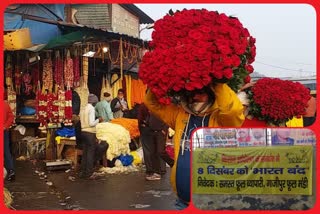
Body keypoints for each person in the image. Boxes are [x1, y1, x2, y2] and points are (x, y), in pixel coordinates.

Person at [144, 83, 244, 209]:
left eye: (201, 92)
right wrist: (156, 82)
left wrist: (216, 82)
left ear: (211, 94)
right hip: (182, 202)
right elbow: (152, 103)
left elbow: (233, 110)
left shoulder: (221, 120)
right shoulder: (180, 115)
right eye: (192, 93)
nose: (195, 96)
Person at [138, 103, 174, 181]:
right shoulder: (146, 105)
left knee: (160, 151)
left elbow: (167, 118)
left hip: (159, 131)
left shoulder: (162, 105)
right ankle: (157, 172)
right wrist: (144, 126)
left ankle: (172, 164)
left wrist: (164, 130)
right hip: (150, 131)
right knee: (153, 152)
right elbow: (142, 118)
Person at [79, 94, 108, 179]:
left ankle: (83, 172)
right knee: (90, 154)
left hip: (83, 132)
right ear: (94, 102)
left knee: (85, 153)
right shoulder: (91, 109)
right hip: (90, 133)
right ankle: (89, 173)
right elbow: (91, 123)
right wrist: (98, 120)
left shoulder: (83, 109)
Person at [4, 88, 15, 181]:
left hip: (4, 131)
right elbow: (11, 116)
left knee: (6, 151)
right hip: (4, 130)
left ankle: (11, 171)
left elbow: (11, 116)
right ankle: (11, 171)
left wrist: (5, 126)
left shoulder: (5, 104)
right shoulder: (5, 104)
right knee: (6, 151)